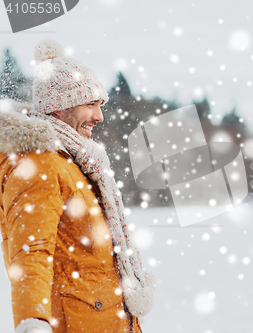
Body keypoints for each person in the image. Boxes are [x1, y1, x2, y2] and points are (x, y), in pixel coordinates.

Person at [0, 39, 155, 333]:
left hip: (104, 320)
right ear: (59, 108)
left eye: (100, 105)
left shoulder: (78, 162)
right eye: (90, 104)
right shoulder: (39, 165)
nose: (99, 116)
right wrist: (33, 323)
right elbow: (30, 252)